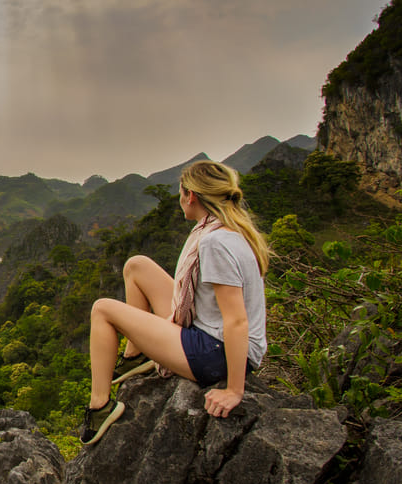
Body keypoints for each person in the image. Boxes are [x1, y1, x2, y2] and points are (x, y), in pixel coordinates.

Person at [80, 160, 270, 445]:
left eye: (181, 192)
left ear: (190, 195)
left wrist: (234, 390)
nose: (180, 199)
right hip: (212, 334)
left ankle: (99, 406)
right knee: (136, 265)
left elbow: (236, 320)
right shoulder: (225, 230)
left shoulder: (214, 242)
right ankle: (136, 355)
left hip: (217, 352)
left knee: (102, 310)